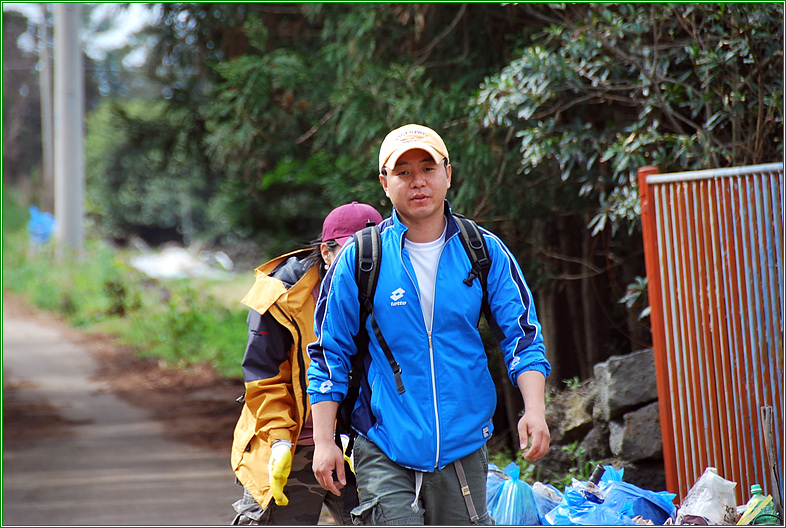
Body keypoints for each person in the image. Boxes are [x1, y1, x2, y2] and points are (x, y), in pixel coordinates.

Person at [306, 124, 552, 525]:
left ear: (448, 174)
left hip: (463, 444)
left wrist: (535, 410)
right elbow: (329, 354)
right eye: (403, 172)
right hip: (384, 441)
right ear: (385, 183)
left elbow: (522, 336)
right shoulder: (360, 258)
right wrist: (324, 441)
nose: (417, 182)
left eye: (428, 168)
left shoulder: (483, 251)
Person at [230, 201, 383, 525]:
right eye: (351, 253)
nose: (362, 264)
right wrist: (281, 441)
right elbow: (264, 377)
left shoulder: (392, 288)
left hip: (361, 443)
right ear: (326, 253)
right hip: (293, 440)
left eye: (372, 255)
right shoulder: (278, 295)